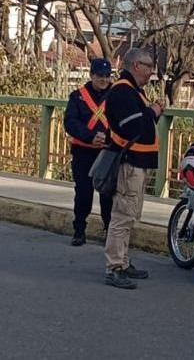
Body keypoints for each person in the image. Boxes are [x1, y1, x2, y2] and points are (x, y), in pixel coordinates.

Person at [103, 47, 165, 289]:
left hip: (139, 161)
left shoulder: (134, 91)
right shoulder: (122, 91)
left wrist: (152, 114)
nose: (151, 71)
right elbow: (132, 125)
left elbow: (142, 123)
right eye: (148, 66)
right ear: (136, 66)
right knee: (122, 215)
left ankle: (123, 261)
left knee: (131, 215)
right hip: (130, 163)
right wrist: (153, 111)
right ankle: (114, 266)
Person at [64, 58, 113, 247]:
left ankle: (109, 230)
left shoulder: (116, 95)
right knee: (83, 192)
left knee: (108, 195)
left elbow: (120, 122)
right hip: (83, 151)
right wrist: (90, 136)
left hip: (107, 152)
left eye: (107, 76)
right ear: (92, 75)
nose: (104, 79)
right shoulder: (78, 96)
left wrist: (106, 138)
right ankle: (79, 230)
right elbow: (70, 122)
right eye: (100, 75)